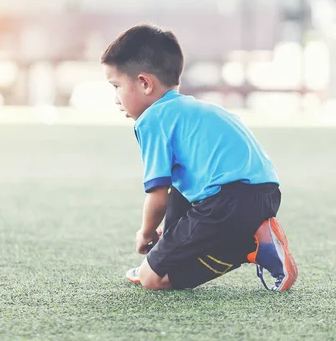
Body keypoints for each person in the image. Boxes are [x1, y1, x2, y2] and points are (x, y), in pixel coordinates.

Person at [100, 24, 298, 291]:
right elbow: (178, 193)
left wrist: (146, 234)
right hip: (266, 195)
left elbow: (157, 197)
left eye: (116, 86)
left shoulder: (153, 119)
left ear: (145, 83)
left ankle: (249, 247)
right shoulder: (197, 109)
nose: (115, 99)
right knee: (180, 189)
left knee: (151, 280)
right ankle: (251, 234)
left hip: (228, 202)